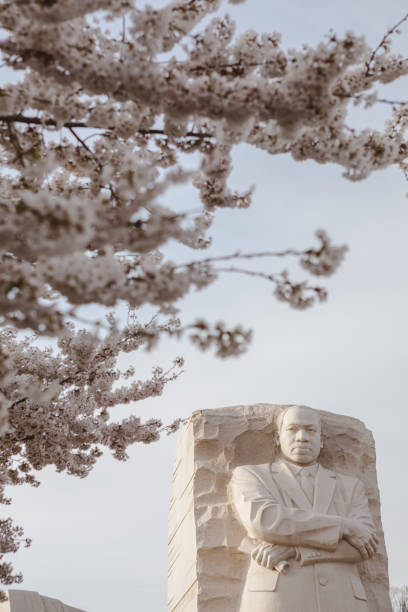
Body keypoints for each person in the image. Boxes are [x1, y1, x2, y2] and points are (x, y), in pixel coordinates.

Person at [231, 405, 378, 612]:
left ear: (321, 440)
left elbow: (364, 546)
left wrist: (295, 550)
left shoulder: (350, 486)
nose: (302, 437)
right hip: (279, 598)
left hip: (343, 600)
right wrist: (344, 526)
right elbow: (265, 521)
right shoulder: (251, 475)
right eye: (292, 429)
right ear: (277, 438)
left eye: (311, 430)